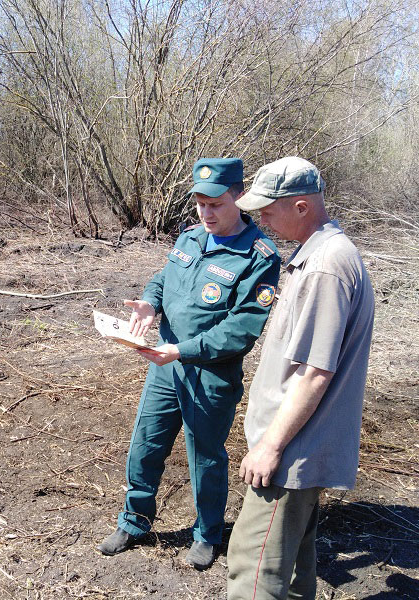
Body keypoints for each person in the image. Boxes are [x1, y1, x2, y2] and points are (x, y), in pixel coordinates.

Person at [97, 157, 281, 570]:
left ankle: (207, 534)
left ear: (239, 197)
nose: (206, 213)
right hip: (165, 365)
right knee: (145, 444)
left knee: (205, 457)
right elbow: (164, 280)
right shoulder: (190, 237)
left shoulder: (259, 256)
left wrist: (182, 350)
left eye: (215, 204)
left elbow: (241, 329)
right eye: (200, 203)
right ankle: (134, 521)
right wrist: (149, 303)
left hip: (210, 374)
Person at [226, 157, 375, 599]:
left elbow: (314, 373)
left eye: (267, 210)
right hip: (299, 447)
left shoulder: (326, 266)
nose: (261, 220)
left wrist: (270, 446)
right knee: (293, 569)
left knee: (255, 571)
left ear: (302, 206)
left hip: (290, 453)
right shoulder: (319, 254)